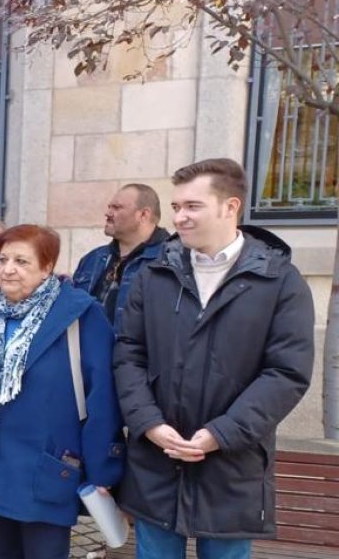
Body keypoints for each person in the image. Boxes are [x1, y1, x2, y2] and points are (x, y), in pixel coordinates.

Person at [114, 158, 315, 559]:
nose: (180, 218)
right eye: (176, 207)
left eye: (192, 206)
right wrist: (148, 423)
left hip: (231, 467)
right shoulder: (154, 274)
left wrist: (220, 434)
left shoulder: (280, 281)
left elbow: (286, 373)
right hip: (157, 463)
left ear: (230, 207)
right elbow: (127, 354)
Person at [0, 225, 124, 559]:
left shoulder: (79, 316)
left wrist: (103, 470)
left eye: (21, 261)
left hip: (48, 466)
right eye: (3, 259)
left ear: (47, 268)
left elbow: (102, 398)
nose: (8, 269)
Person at [72, 183, 169, 328]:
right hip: (90, 350)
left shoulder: (170, 260)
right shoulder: (93, 259)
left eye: (117, 208)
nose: (108, 213)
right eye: (109, 207)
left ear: (143, 215)